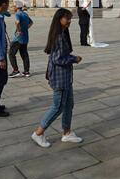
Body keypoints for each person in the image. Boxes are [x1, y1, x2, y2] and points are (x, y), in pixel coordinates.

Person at [31, 8, 83, 148]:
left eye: (70, 19)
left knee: (69, 104)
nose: (69, 22)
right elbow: (57, 58)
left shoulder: (62, 33)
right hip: (60, 77)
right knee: (58, 106)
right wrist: (74, 59)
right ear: (59, 19)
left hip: (66, 76)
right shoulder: (59, 36)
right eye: (67, 19)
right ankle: (39, 133)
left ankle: (67, 133)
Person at [8, 0, 33, 78]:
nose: (12, 7)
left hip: (18, 38)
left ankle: (15, 71)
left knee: (11, 53)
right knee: (24, 54)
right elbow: (31, 22)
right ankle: (26, 71)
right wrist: (25, 29)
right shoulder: (25, 14)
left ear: (16, 7)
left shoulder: (18, 14)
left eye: (13, 6)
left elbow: (17, 22)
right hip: (25, 37)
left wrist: (19, 30)